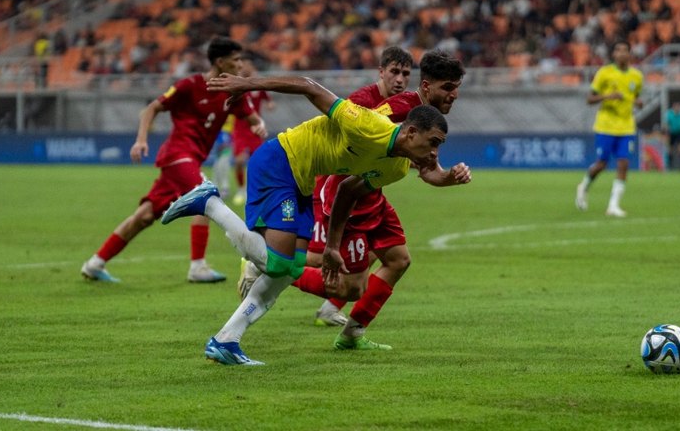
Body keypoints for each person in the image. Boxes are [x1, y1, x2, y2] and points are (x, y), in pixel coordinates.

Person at [161, 75, 469, 365]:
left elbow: (348, 192)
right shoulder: (367, 124)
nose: (434, 152)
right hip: (280, 161)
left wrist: (333, 246)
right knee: (278, 265)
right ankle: (209, 202)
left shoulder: (397, 168)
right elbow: (309, 86)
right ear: (411, 132)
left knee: (291, 269)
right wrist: (248, 83)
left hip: (304, 182)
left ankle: (226, 341)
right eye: (433, 142)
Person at [80, 37, 267, 283]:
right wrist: (141, 140)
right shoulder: (189, 85)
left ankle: (95, 263)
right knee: (206, 196)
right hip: (178, 154)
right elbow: (151, 109)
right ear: (220, 62)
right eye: (236, 60)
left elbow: (254, 119)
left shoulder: (233, 93)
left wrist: (259, 126)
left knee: (144, 217)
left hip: (188, 162)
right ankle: (198, 266)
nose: (241, 65)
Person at [254, 45, 415, 326]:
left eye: (405, 74)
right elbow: (342, 145)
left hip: (368, 191)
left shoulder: (406, 108)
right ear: (381, 71)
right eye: (394, 72)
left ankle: (335, 313)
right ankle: (261, 263)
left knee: (391, 255)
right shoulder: (362, 102)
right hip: (335, 190)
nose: (400, 79)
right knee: (318, 259)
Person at [575, 40, 643, 217]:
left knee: (624, 164)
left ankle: (613, 206)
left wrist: (638, 102)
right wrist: (607, 96)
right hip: (606, 125)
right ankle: (584, 185)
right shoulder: (604, 73)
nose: (621, 53)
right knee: (602, 163)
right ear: (613, 55)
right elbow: (589, 99)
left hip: (627, 126)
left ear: (629, 54)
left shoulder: (637, 76)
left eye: (624, 50)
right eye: (618, 50)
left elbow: (635, 97)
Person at [231, 52, 275, 206]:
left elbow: (269, 101)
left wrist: (270, 105)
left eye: (248, 65)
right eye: (243, 65)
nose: (245, 67)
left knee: (260, 162)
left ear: (252, 67)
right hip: (240, 129)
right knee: (239, 161)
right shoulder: (236, 84)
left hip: (255, 129)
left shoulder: (258, 85)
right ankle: (241, 189)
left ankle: (259, 190)